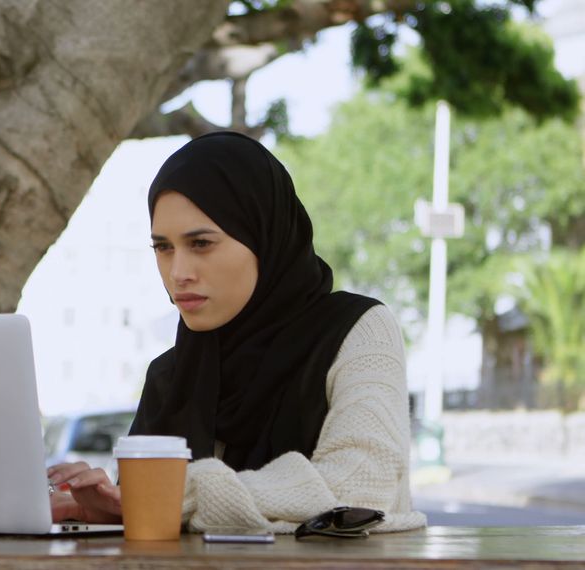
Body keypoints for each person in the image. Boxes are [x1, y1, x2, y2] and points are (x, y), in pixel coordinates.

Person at [48, 132, 427, 534]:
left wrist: (174, 497)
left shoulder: (358, 331)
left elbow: (361, 488)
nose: (178, 272)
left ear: (263, 239)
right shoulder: (171, 377)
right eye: (164, 248)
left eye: (201, 243)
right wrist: (108, 512)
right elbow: (149, 519)